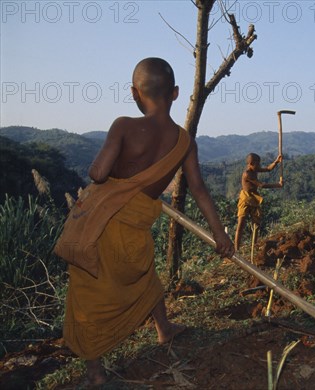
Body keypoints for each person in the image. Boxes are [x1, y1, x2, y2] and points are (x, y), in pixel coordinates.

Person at [60, 57, 235, 385]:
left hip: (103, 226)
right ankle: (164, 328)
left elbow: (98, 173)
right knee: (144, 274)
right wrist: (219, 234)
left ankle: (96, 372)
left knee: (87, 293)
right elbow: (199, 190)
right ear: (176, 93)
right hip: (135, 229)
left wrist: (109, 174)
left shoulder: (124, 126)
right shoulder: (185, 142)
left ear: (134, 93)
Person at [234, 153, 283, 251]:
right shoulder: (247, 174)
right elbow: (261, 185)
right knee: (241, 224)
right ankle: (236, 249)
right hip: (245, 199)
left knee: (256, 224)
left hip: (254, 198)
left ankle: (254, 246)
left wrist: (276, 162)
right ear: (251, 163)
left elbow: (268, 169)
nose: (260, 166)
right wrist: (277, 185)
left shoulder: (255, 169)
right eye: (258, 164)